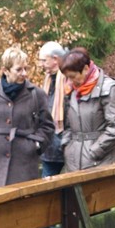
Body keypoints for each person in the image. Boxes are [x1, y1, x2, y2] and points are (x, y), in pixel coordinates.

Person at [0, 46, 55, 189]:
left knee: (23, 204)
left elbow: (47, 126)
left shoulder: (36, 94)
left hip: (24, 160)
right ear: (5, 70)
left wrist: (36, 145)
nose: (24, 73)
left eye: (26, 68)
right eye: (19, 69)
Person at [58, 46, 115, 172]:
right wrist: (67, 146)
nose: (70, 81)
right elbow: (68, 125)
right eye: (67, 77)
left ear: (86, 69)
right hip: (72, 162)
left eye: (72, 76)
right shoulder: (70, 90)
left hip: (101, 162)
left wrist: (94, 151)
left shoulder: (108, 88)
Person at [38, 41, 68, 178]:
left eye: (44, 60)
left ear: (55, 59)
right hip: (49, 149)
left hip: (67, 146)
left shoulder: (70, 78)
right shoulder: (48, 80)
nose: (41, 64)